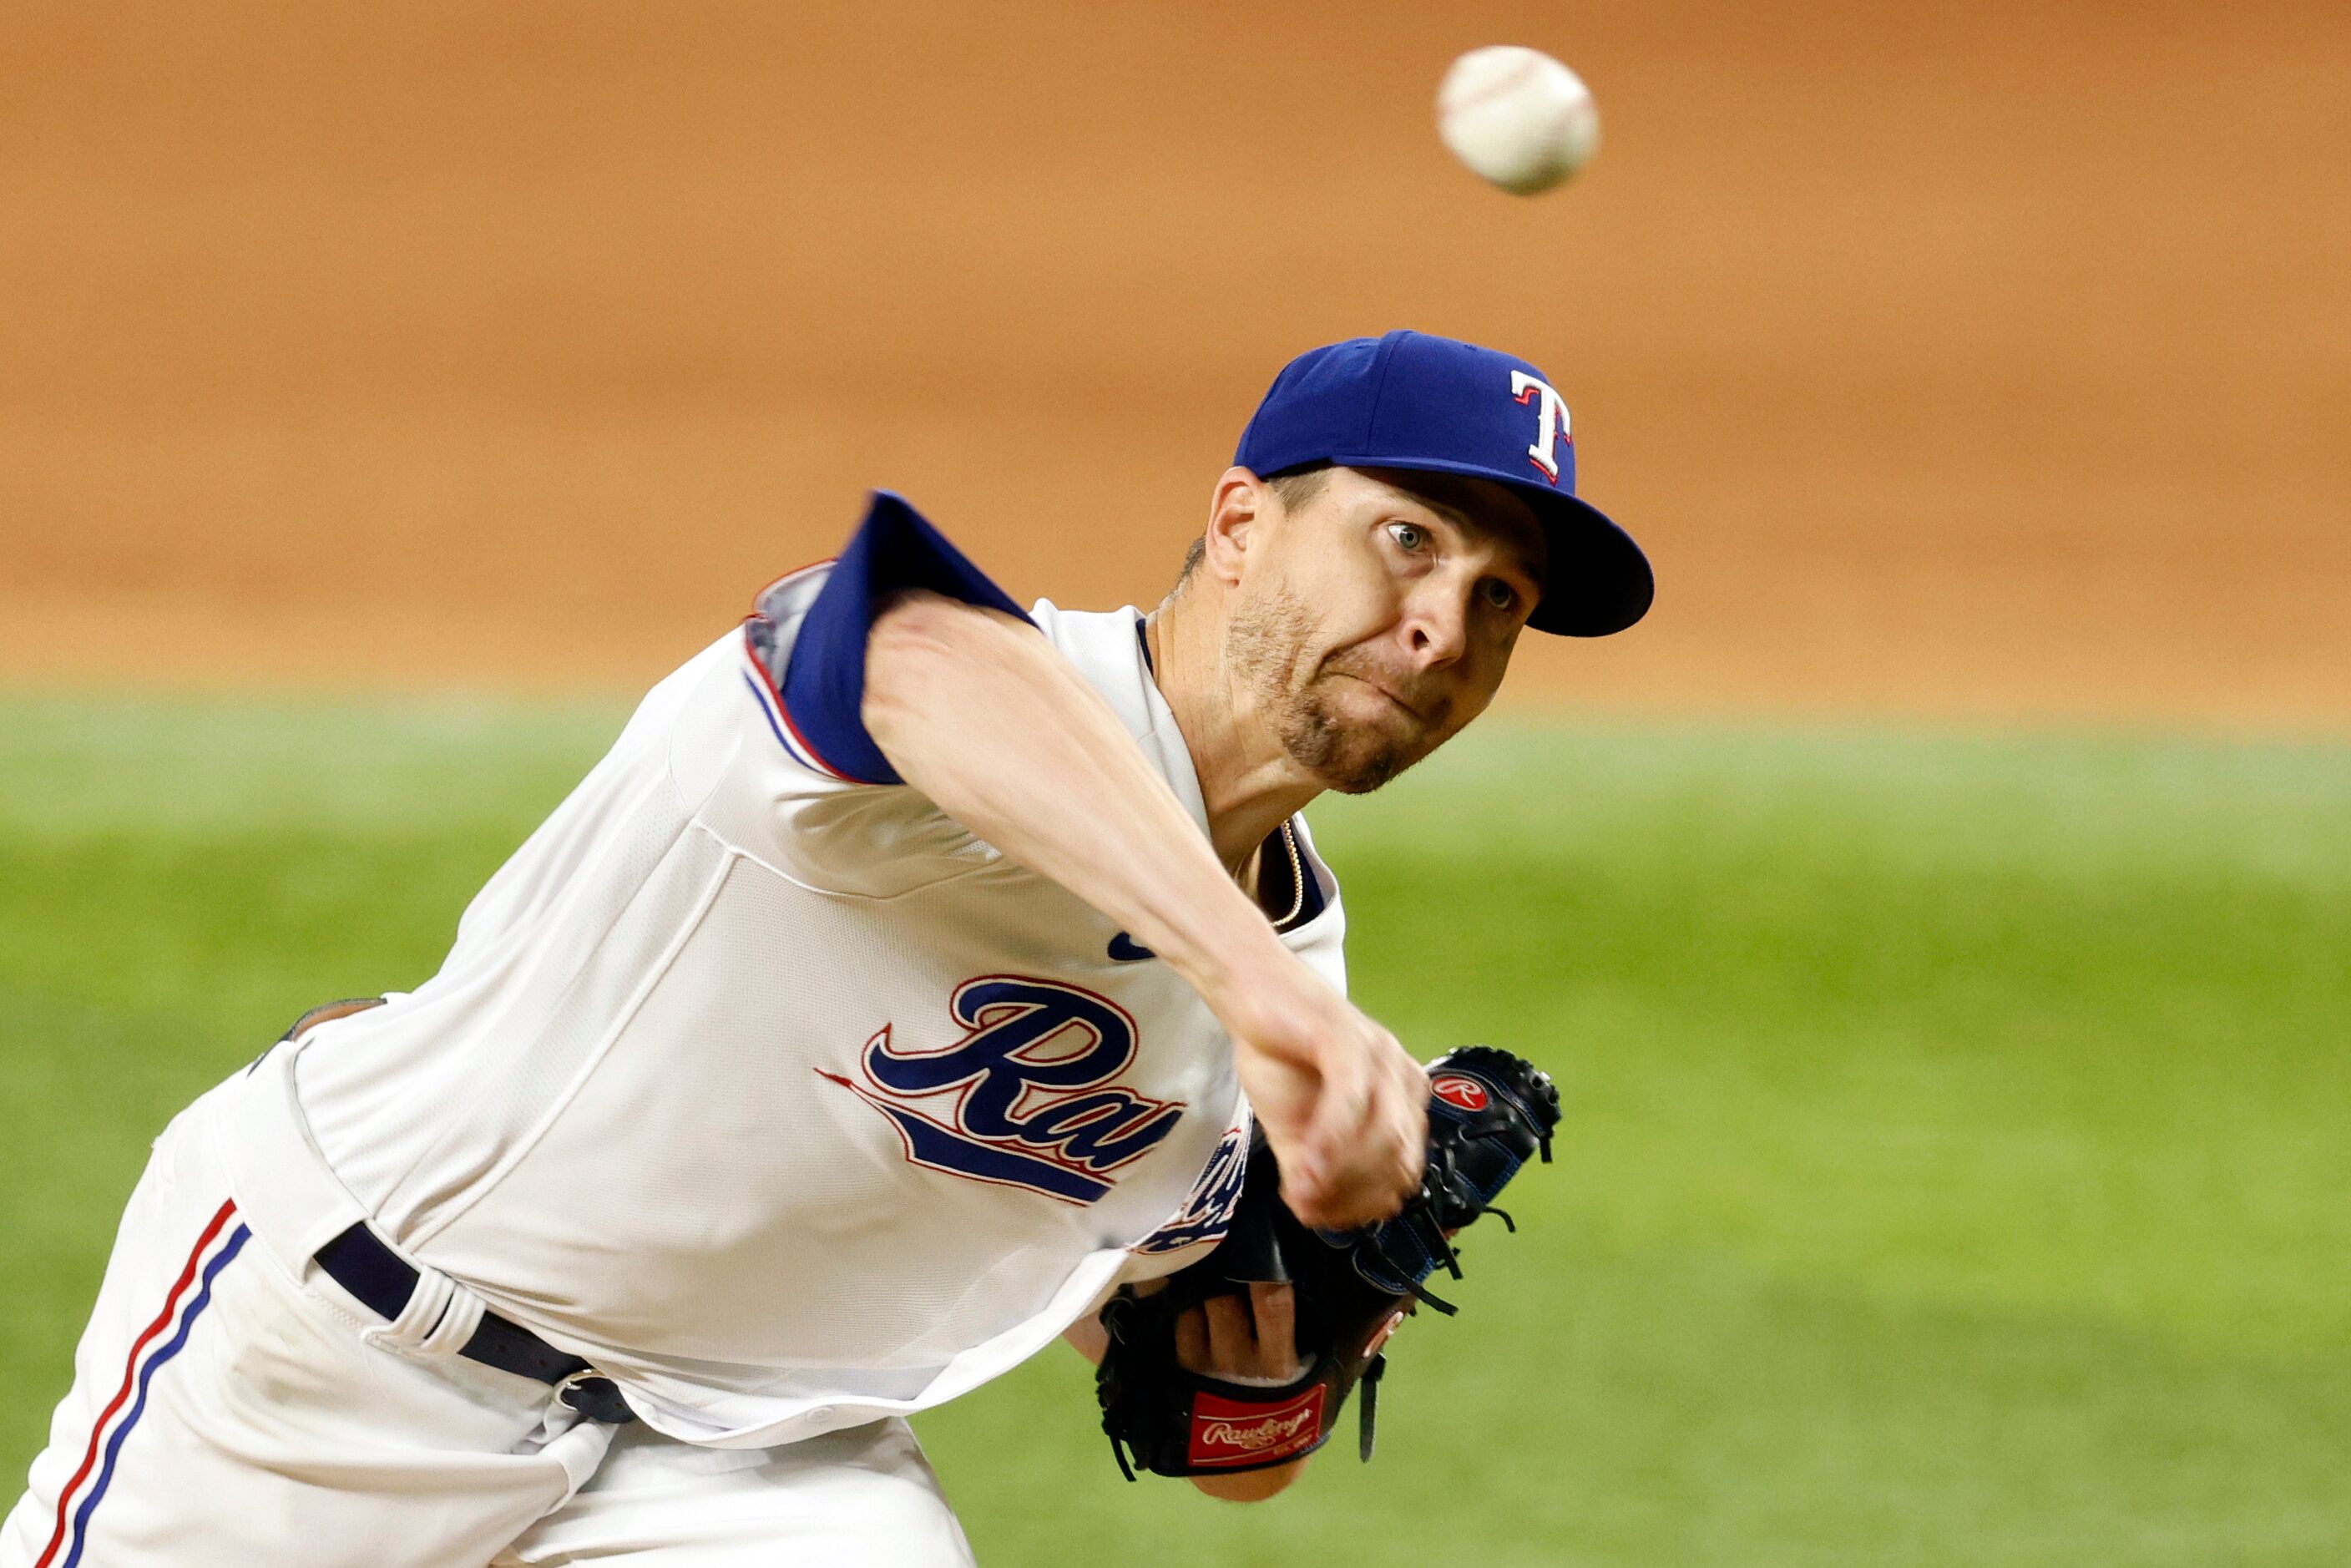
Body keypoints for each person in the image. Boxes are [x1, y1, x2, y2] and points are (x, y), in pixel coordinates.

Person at [3, 329, 1651, 1566]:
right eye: (1404, 540)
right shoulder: (970, 692)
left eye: (1501, 598)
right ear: (1237, 523)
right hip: (336, 1366)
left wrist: (1270, 1354)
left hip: (742, 1476)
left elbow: (1213, 1428)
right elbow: (911, 654)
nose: (1444, 622)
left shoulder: (1294, 979)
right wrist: (1253, 984)